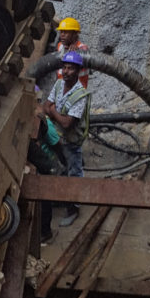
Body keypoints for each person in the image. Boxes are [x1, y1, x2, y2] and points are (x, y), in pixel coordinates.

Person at [45, 50, 90, 227]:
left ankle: (73, 208)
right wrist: (53, 111)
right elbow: (46, 105)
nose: (66, 71)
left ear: (78, 71)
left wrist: (53, 111)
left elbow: (66, 123)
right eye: (64, 67)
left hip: (71, 142)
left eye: (70, 68)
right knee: (60, 169)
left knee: (74, 174)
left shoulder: (81, 95)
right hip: (56, 139)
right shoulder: (58, 84)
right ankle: (62, 198)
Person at [28, 91, 64, 243]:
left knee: (44, 198)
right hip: (43, 164)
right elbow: (57, 145)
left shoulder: (37, 120)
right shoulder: (42, 120)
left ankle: (43, 231)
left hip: (40, 163)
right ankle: (45, 232)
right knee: (45, 198)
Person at [55, 16, 89, 89]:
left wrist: (77, 51)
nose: (62, 35)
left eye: (66, 32)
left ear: (75, 34)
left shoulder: (82, 48)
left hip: (77, 92)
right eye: (61, 32)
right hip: (61, 89)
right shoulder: (60, 46)